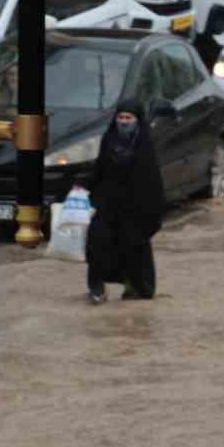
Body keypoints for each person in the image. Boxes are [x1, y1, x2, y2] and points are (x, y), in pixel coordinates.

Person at [84, 101, 164, 304]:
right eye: (120, 118)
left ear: (137, 120)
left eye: (129, 118)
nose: (124, 122)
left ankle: (136, 287)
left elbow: (152, 179)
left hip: (135, 206)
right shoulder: (108, 139)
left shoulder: (145, 144)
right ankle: (96, 288)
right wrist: (82, 187)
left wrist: (152, 210)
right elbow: (100, 168)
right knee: (97, 242)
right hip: (107, 202)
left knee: (134, 246)